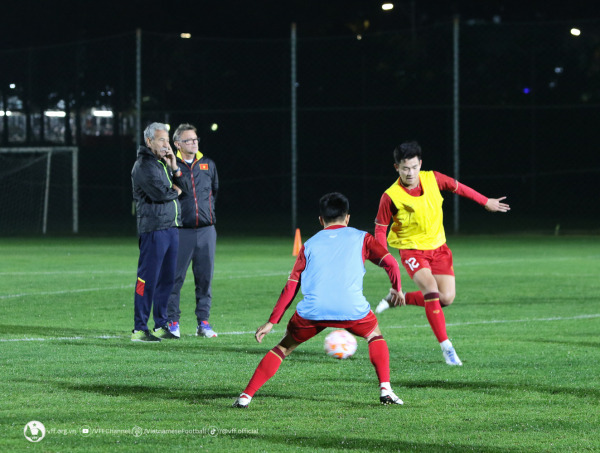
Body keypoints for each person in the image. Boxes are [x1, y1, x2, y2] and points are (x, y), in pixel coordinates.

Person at [233, 192, 406, 408]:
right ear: (348, 218)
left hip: (312, 312)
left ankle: (245, 396)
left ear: (321, 220)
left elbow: (291, 285)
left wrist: (272, 322)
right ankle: (385, 390)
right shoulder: (363, 238)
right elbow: (391, 263)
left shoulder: (310, 244)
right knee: (374, 334)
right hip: (351, 310)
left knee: (283, 348)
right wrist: (396, 289)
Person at [373, 141, 510, 365]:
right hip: (412, 251)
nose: (410, 172)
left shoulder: (433, 178)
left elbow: (459, 187)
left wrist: (485, 201)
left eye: (414, 167)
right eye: (405, 168)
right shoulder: (390, 196)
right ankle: (447, 348)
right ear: (396, 167)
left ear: (420, 164)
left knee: (445, 298)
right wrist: (384, 258)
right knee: (431, 290)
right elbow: (380, 228)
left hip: (440, 249)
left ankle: (402, 299)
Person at [131, 122, 190, 342]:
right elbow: (161, 194)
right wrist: (175, 189)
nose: (166, 144)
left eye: (167, 140)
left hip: (172, 227)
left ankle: (161, 324)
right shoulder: (144, 165)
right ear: (149, 141)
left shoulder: (162, 163)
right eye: (161, 140)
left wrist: (174, 166)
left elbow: (183, 189)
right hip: (154, 229)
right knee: (146, 279)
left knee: (167, 280)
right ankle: (139, 328)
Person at [166, 123, 219, 338]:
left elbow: (214, 191)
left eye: (196, 139)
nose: (194, 143)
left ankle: (203, 323)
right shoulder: (169, 165)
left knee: (205, 279)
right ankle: (172, 322)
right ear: (177, 144)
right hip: (180, 231)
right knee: (174, 278)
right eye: (188, 140)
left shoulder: (208, 164)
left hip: (207, 231)